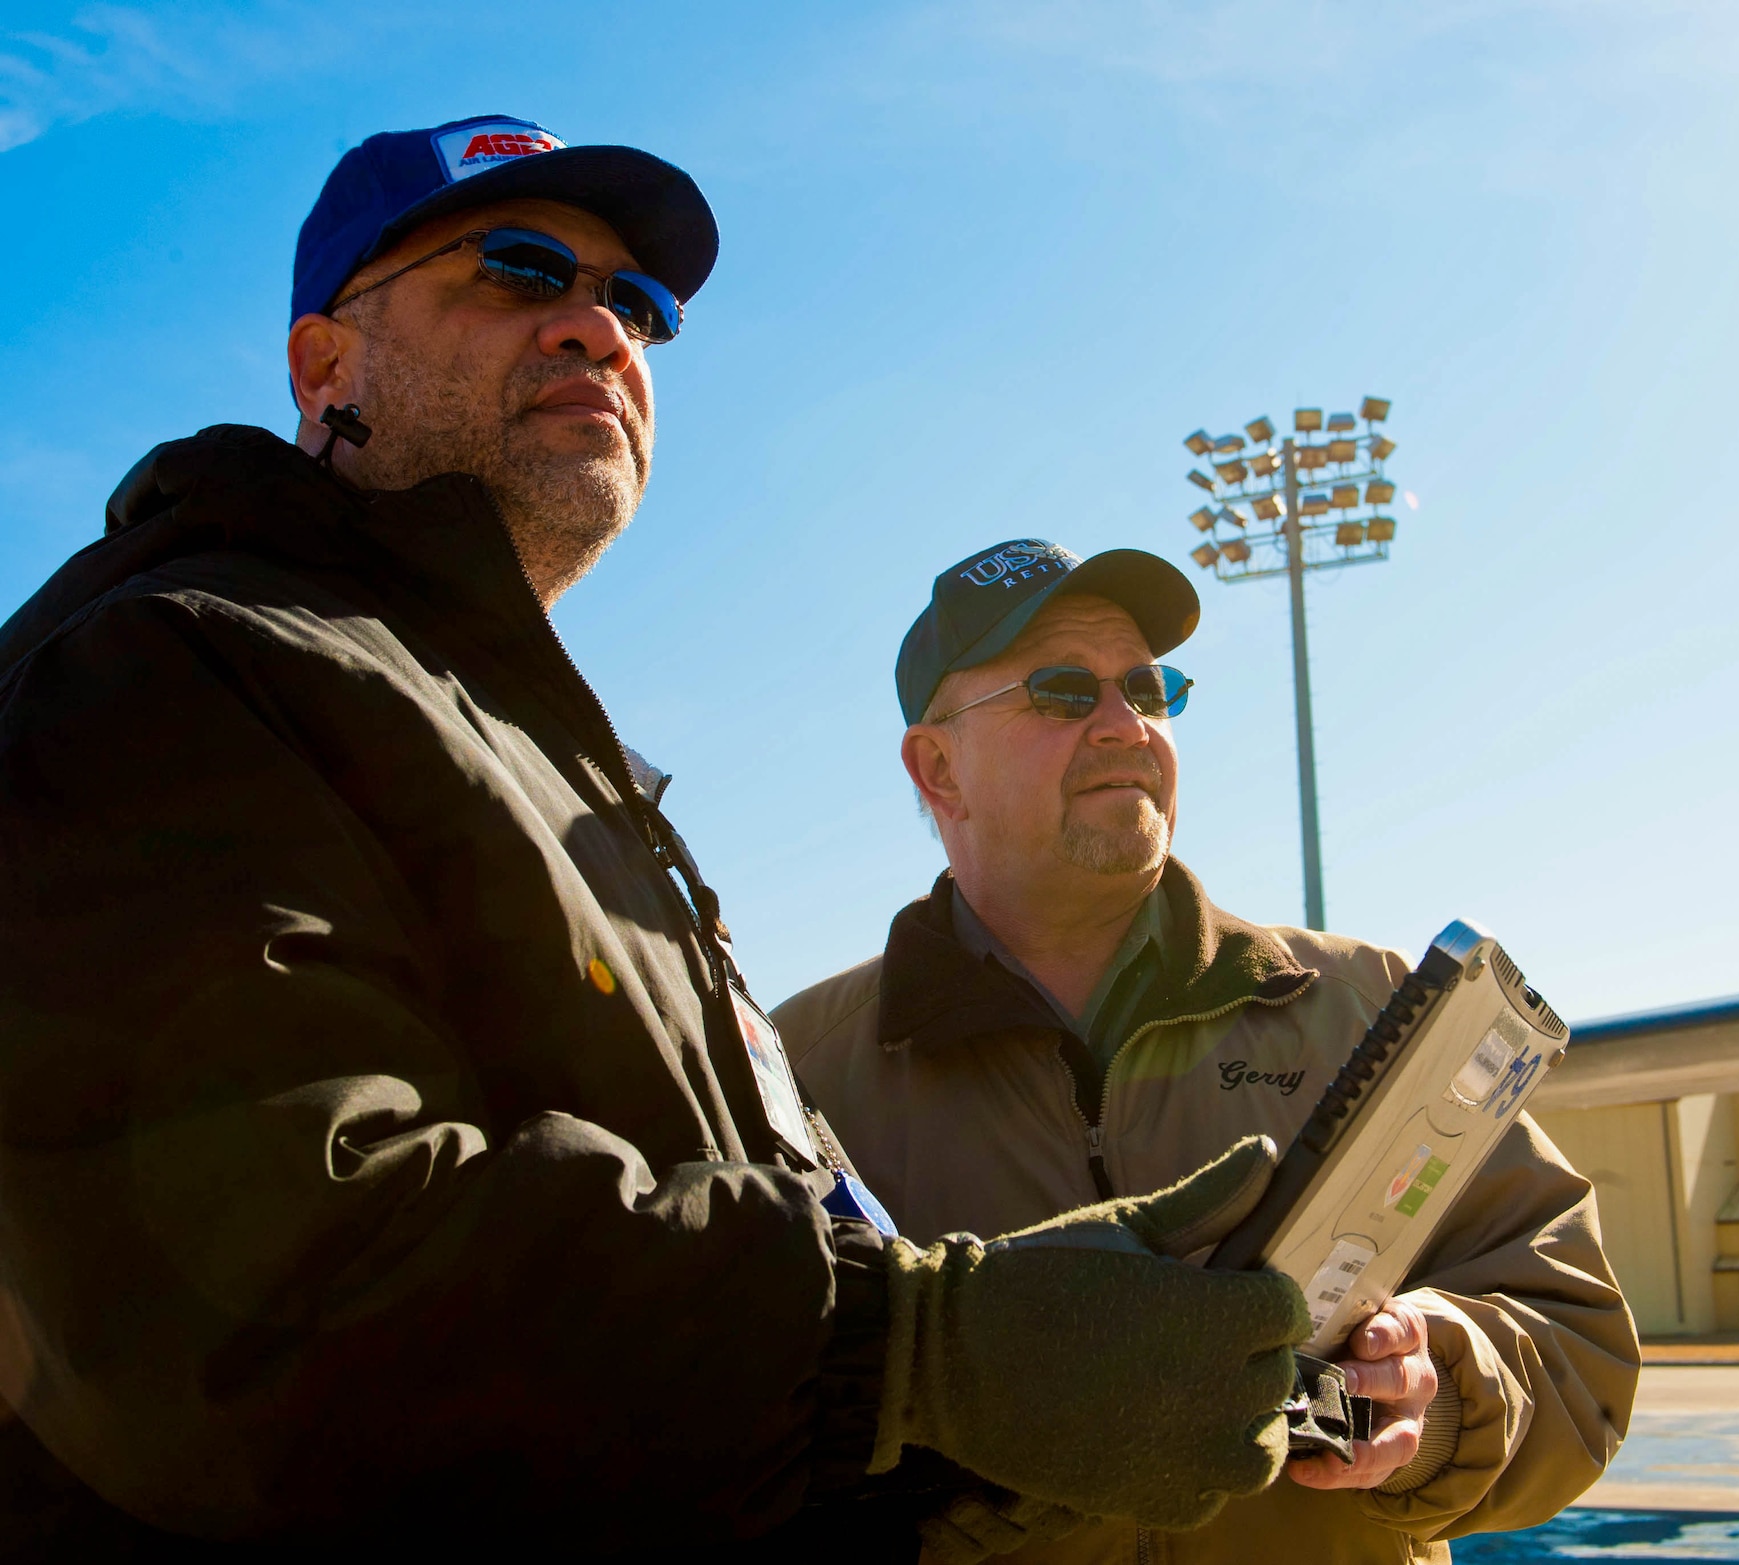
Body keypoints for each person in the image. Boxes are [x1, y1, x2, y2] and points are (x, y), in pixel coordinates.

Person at [0, 122, 1312, 1554]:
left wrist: (973, 1400)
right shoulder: (175, 668)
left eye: (638, 305)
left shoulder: (568, 772)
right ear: (325, 366)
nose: (596, 327)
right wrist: (916, 1350)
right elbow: (261, 1290)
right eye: (516, 270)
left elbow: (743, 1280)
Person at [775, 538, 1643, 1564]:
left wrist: (1438, 1387)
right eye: (1060, 691)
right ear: (937, 765)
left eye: (1145, 686)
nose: (1123, 724)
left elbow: (1574, 1339)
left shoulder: (1362, 998)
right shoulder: (795, 1073)